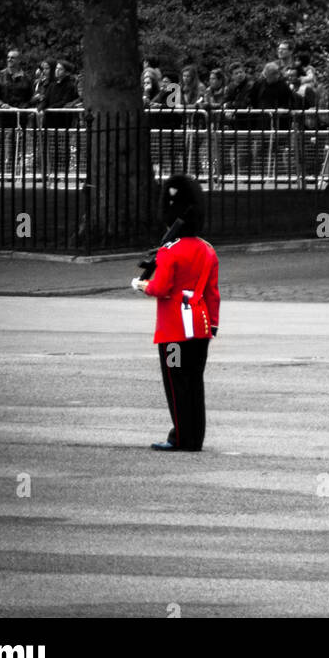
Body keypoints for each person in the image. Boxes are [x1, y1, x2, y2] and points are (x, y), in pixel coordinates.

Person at [131, 175, 220, 452]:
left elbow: (160, 287)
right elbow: (212, 294)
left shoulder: (170, 250)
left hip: (174, 330)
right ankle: (195, 437)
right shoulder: (207, 250)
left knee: (176, 385)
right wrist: (213, 325)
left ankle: (180, 437)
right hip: (201, 326)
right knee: (194, 383)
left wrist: (141, 284)